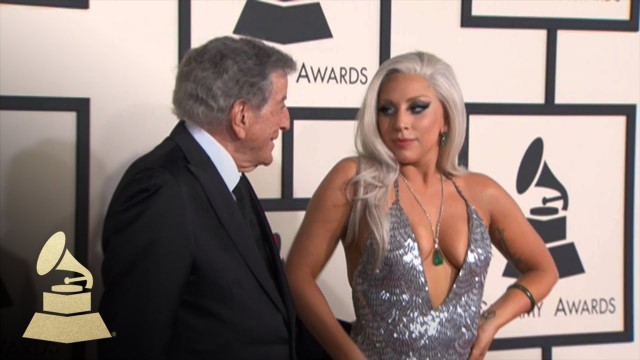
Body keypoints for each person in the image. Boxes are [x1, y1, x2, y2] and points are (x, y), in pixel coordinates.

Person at [285, 51, 559, 360]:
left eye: (417, 108)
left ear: (446, 117)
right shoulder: (356, 182)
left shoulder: (482, 193)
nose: (400, 122)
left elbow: (544, 269)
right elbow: (297, 276)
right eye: (386, 109)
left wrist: (490, 323)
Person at [99, 36, 299, 359]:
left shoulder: (227, 174)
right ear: (242, 116)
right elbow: (133, 342)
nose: (286, 122)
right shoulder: (161, 190)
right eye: (281, 105)